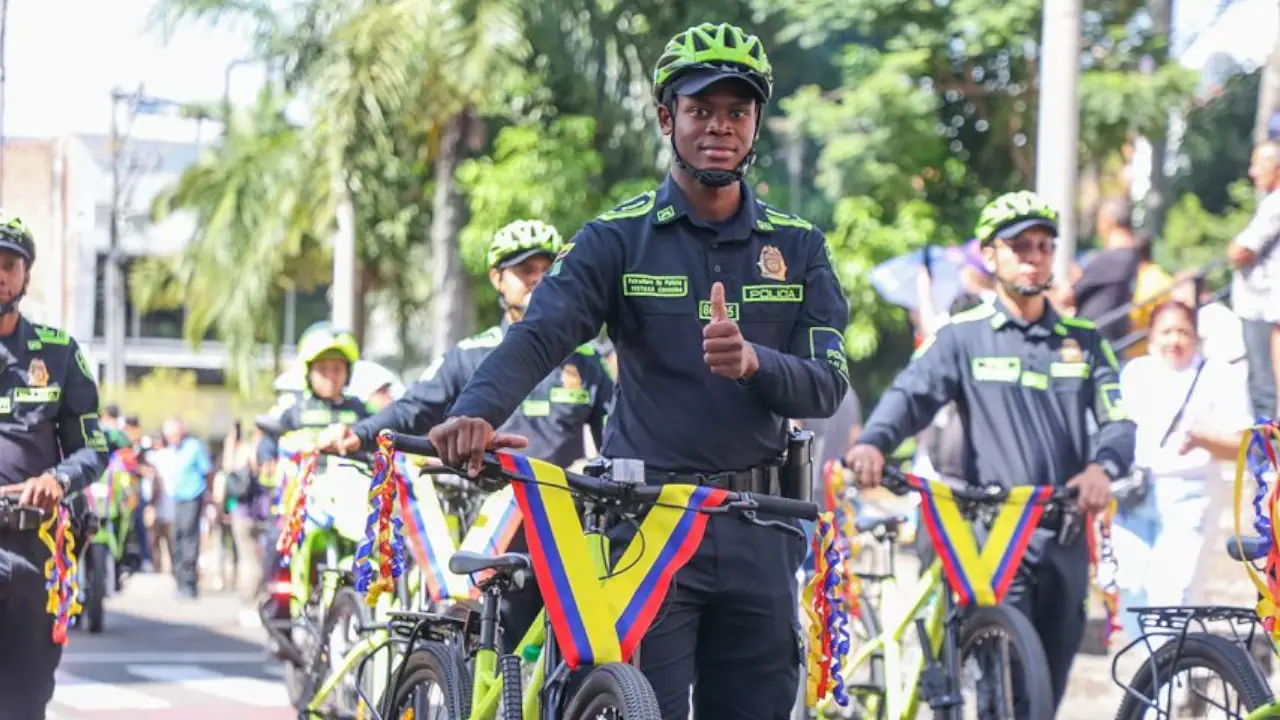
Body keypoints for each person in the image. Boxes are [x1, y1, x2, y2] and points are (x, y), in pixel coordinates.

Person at [425, 23, 850, 718]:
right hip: (648, 528)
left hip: (761, 527)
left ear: (756, 124)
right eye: (700, 110)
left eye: (736, 112)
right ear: (666, 118)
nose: (720, 126)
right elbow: (540, 336)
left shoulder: (799, 247)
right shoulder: (616, 239)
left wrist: (754, 364)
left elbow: (828, 384)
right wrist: (476, 410)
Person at [847, 190, 1136, 711]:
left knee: (1048, 689)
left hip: (1066, 531)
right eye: (1019, 245)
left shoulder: (1085, 340)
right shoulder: (962, 337)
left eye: (1044, 246)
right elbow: (909, 395)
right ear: (990, 254)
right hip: (994, 535)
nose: (1033, 256)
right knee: (1005, 688)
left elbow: (1119, 419)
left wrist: (1103, 466)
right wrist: (872, 442)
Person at [318, 218, 613, 651]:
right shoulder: (470, 355)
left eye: (547, 271)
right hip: (490, 526)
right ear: (497, 279)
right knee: (494, 653)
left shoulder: (587, 361)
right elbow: (413, 409)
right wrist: (358, 435)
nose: (537, 281)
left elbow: (615, 431)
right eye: (524, 271)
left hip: (565, 527)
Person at [0, 213, 110, 719]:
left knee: (25, 700)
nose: (0, 274)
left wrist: (57, 479)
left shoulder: (60, 353)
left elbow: (93, 448)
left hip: (34, 550)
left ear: (26, 275)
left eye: (9, 264)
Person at [1112, 300, 1252, 642]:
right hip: (1136, 494)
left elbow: (1243, 446)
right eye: (1166, 331)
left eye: (1183, 331)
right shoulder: (1135, 373)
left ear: (1196, 336)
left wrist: (1206, 440)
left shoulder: (1218, 376)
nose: (1174, 340)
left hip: (1190, 494)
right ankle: (1157, 678)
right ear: (1150, 336)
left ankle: (1167, 688)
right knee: (1131, 588)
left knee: (1171, 593)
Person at [1227, 140, 1280, 420]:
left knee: (1264, 389)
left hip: (1265, 307)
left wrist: (1233, 251)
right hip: (1264, 307)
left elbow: (1241, 251)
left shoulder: (1276, 203)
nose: (1253, 172)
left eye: (1259, 165)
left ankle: (1269, 455)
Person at [152, 418, 212, 599]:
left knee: (189, 538)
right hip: (177, 498)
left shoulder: (194, 448)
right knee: (176, 538)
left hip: (193, 496)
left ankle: (189, 582)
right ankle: (178, 580)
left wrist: (209, 495)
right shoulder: (172, 451)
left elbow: (207, 471)